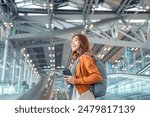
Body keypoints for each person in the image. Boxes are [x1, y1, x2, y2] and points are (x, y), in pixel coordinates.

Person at [64, 34, 103, 100]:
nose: (73, 42)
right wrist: (69, 80)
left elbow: (97, 77)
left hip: (84, 95)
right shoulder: (76, 60)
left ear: (82, 42)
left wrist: (75, 80)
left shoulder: (85, 57)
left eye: (76, 40)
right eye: (72, 41)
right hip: (78, 94)